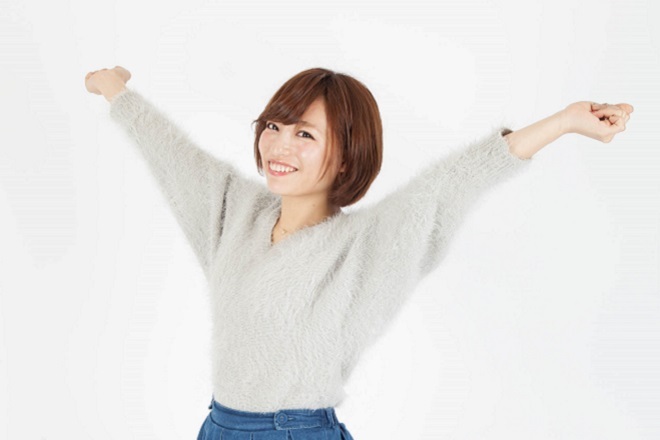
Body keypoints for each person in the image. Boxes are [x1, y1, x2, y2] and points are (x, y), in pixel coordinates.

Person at [85, 66, 633, 440]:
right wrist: (116, 91)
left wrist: (564, 122)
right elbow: (172, 156)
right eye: (273, 126)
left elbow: (451, 185)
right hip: (217, 426)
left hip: (296, 432)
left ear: (347, 156)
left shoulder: (365, 246)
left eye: (305, 135)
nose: (278, 145)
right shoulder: (234, 213)